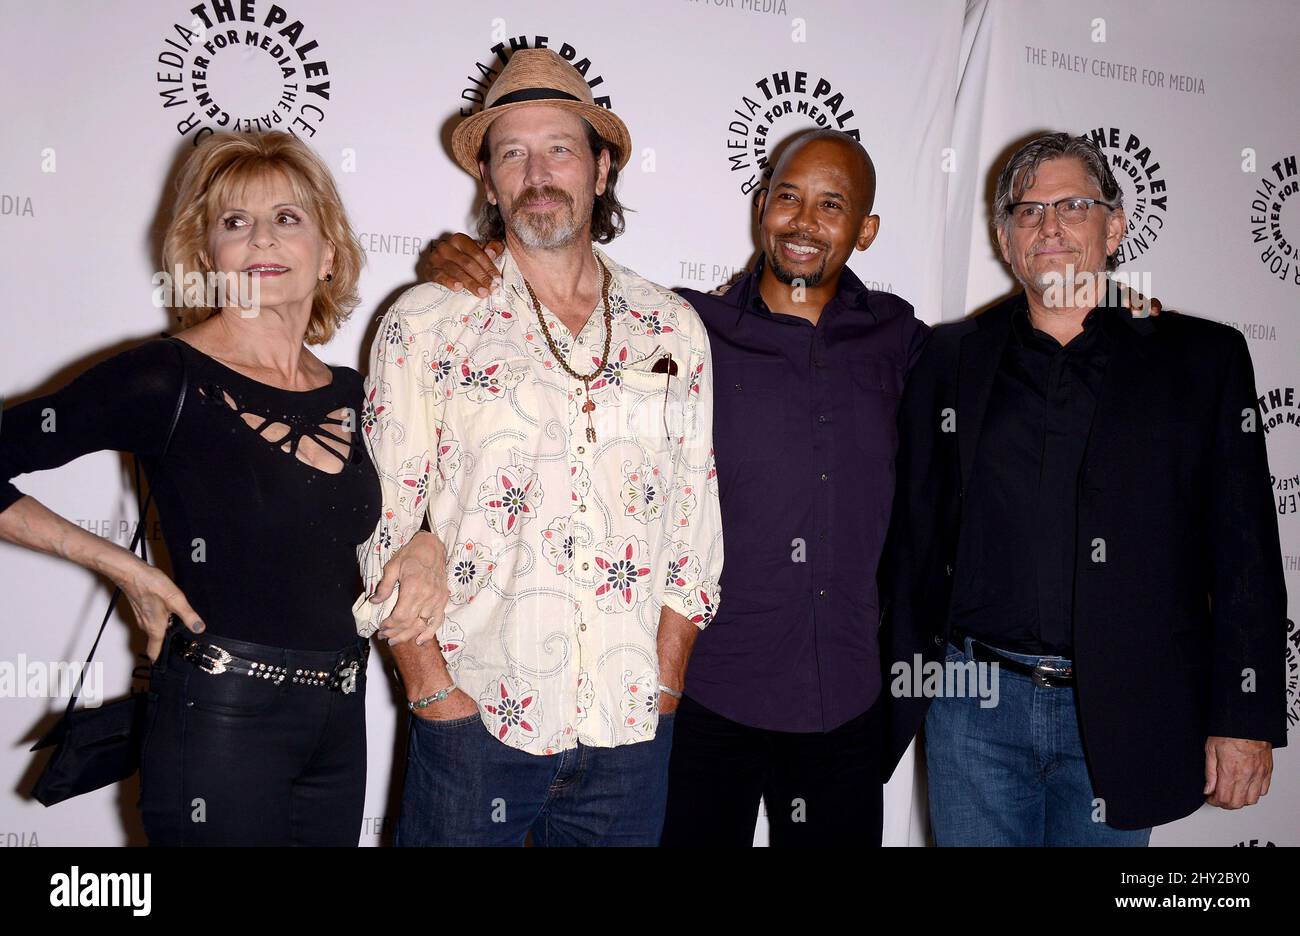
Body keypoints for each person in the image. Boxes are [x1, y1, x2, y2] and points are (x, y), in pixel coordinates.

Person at [425, 127, 928, 846]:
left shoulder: (900, 338)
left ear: (866, 229)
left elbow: (995, 368)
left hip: (842, 699)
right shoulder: (684, 329)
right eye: (788, 197)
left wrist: (1118, 316)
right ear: (762, 207)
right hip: (703, 694)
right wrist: (472, 258)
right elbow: (561, 314)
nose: (804, 222)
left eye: (831, 205)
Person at [356, 48, 722, 847]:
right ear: (488, 181)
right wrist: (431, 695)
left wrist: (664, 682)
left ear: (601, 168)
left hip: (629, 728)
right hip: (476, 717)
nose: (538, 172)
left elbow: (695, 520)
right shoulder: (425, 323)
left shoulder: (672, 327)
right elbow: (379, 519)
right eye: (511, 153)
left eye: (560, 147)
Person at [880, 131, 1287, 845]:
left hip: (1128, 707)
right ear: (1007, 241)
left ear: (1116, 226)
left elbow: (1246, 551)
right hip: (974, 707)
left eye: (1074, 205)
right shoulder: (948, 359)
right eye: (1028, 212)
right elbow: (910, 536)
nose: (1050, 226)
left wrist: (1244, 721)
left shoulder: (1203, 360)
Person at [0, 130, 380, 846]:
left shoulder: (357, 394)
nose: (261, 237)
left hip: (340, 721)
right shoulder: (163, 378)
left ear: (329, 253)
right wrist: (123, 568)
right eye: (236, 222)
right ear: (209, 257)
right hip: (220, 720)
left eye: (288, 218)